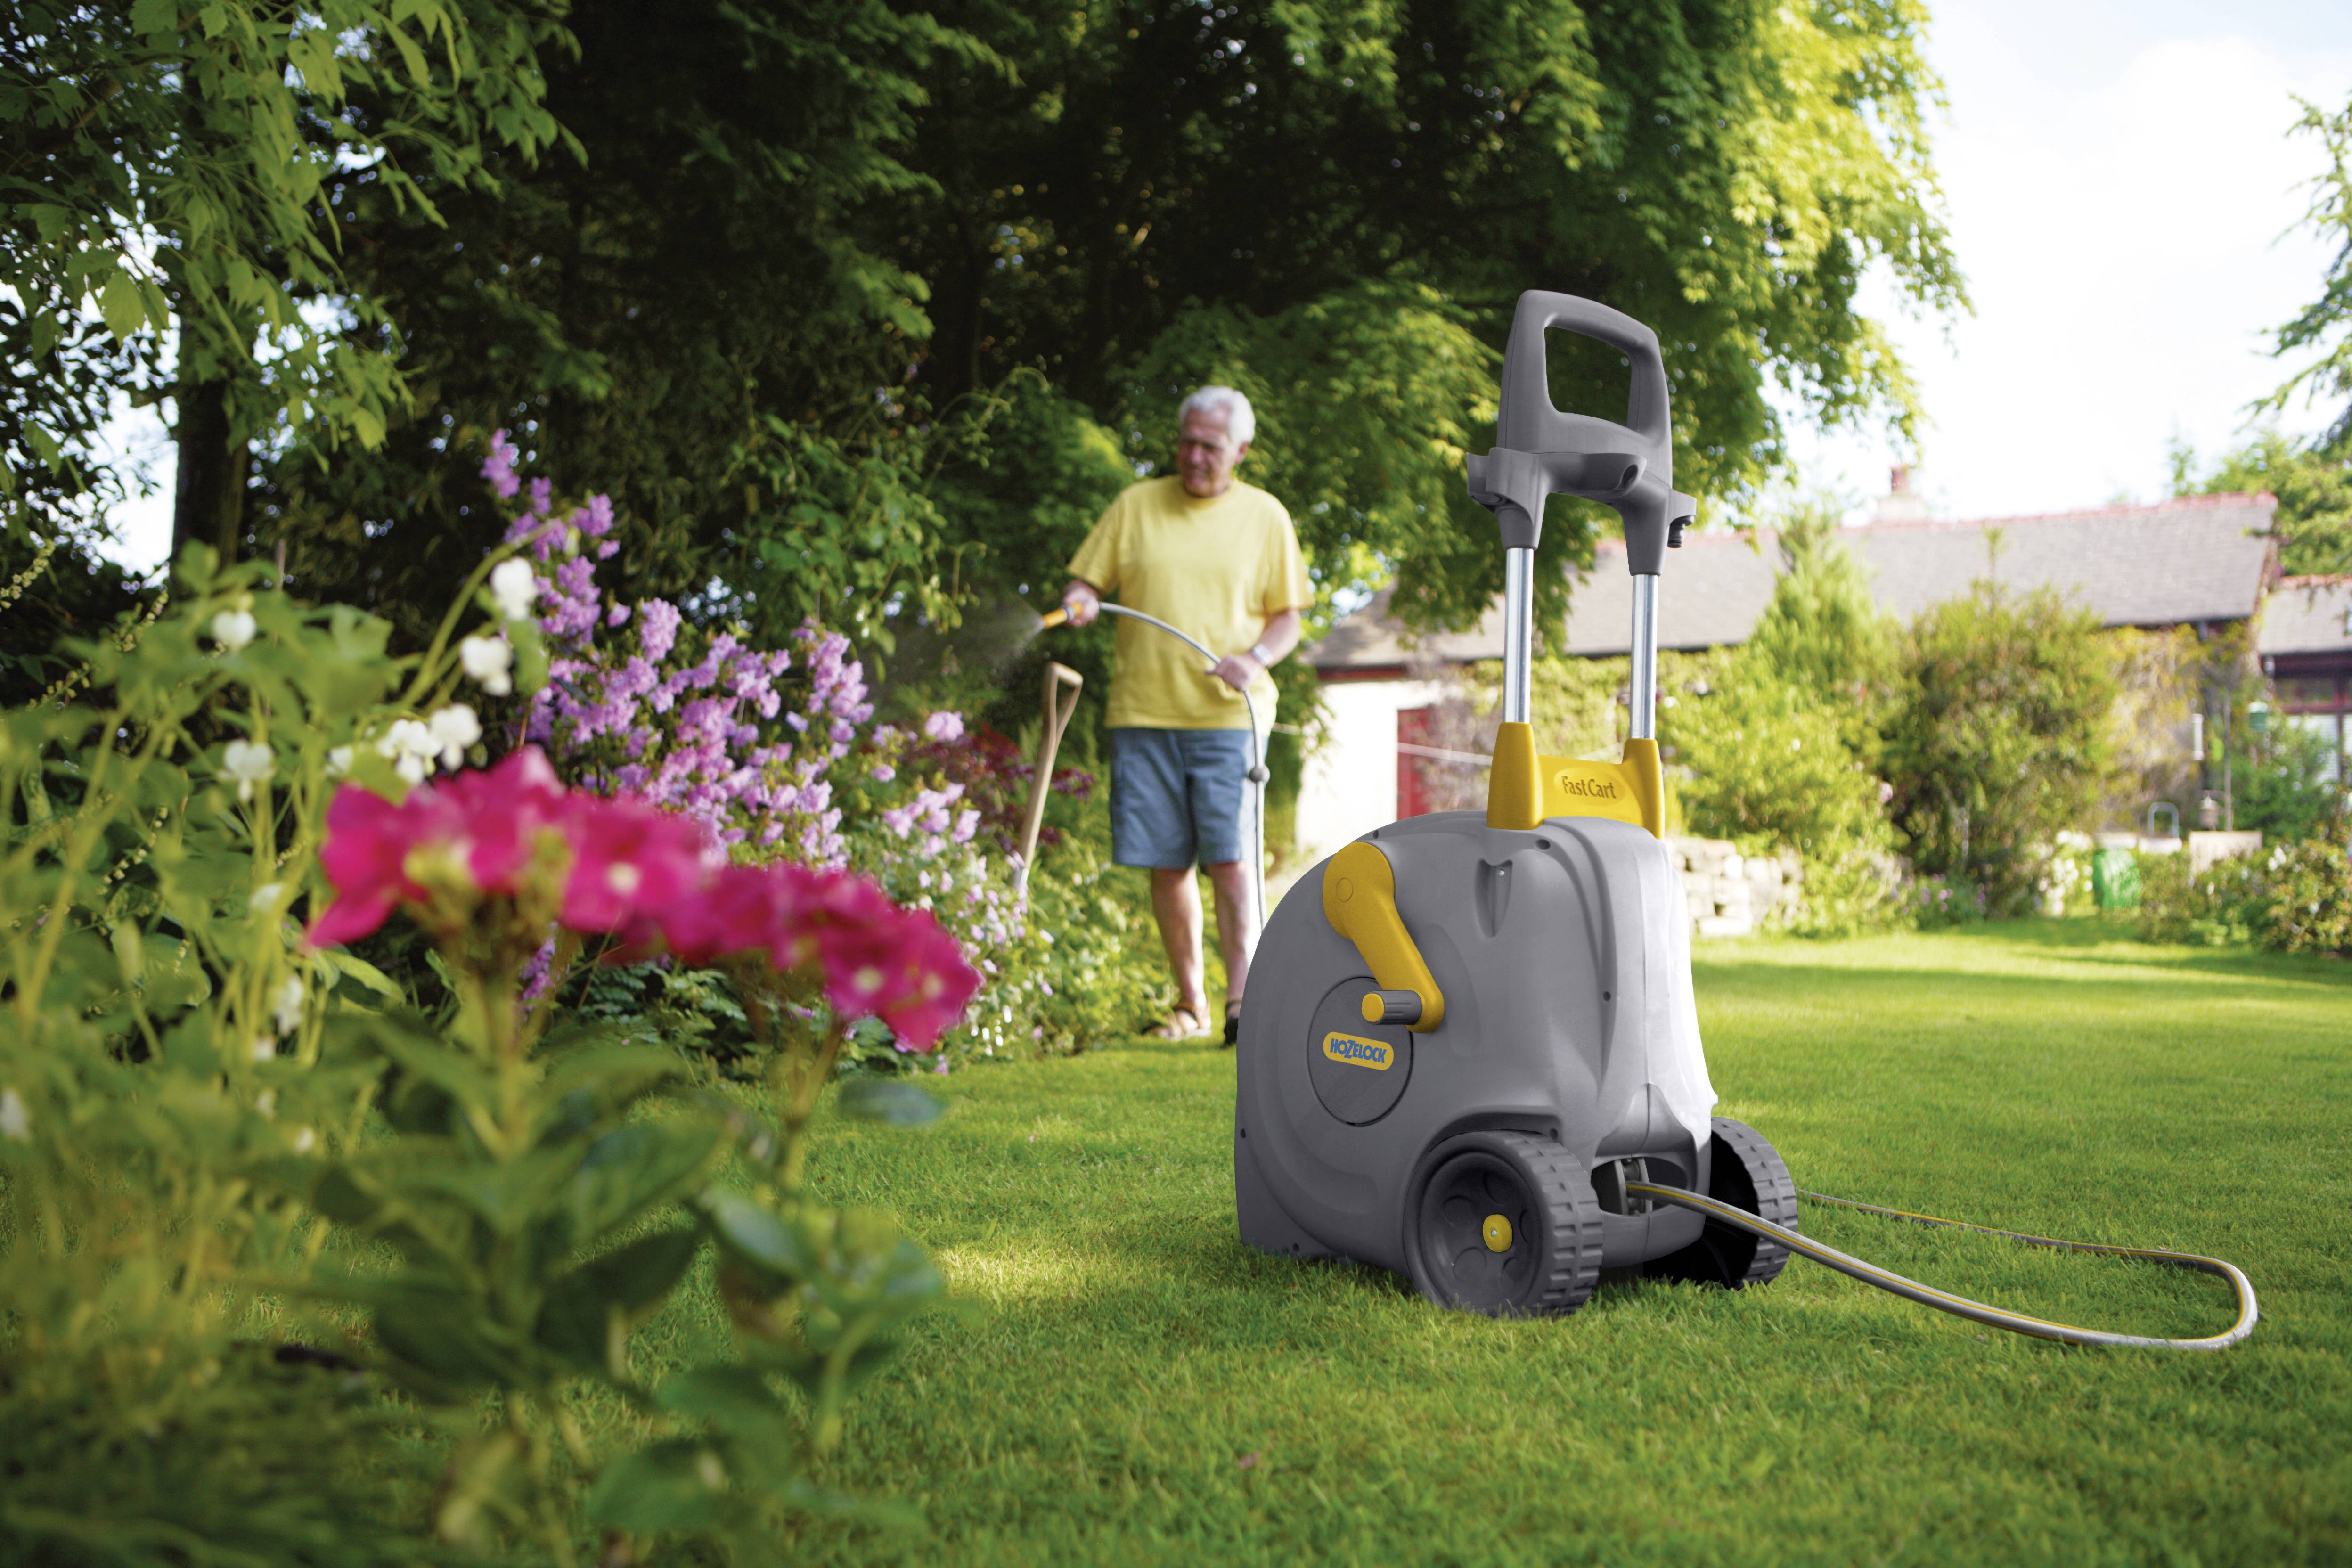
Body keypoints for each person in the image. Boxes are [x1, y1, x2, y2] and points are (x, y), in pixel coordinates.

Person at [1062, 386, 1310, 1045]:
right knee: (1165, 865)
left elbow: (1288, 618)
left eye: (1211, 446)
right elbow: (1087, 582)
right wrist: (1081, 597)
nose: (1195, 456)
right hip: (1143, 714)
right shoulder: (1135, 507)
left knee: (1231, 862)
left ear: (1241, 451)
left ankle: (1243, 1004)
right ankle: (1189, 1005)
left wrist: (1255, 657)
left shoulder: (1265, 517)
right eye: (1187, 442)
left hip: (1231, 718)